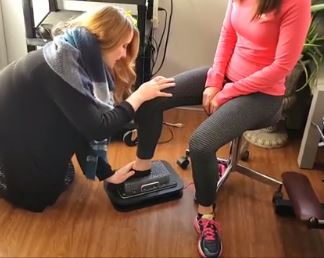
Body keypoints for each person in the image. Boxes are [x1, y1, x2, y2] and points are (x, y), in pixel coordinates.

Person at [131, 0, 311, 257]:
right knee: (151, 98)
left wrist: (228, 92)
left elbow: (282, 67)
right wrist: (214, 81)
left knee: (201, 144)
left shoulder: (297, 3)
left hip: (263, 95)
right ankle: (142, 170)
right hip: (227, 77)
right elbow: (227, 35)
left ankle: (206, 214)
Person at [0, 6, 175, 212]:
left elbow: (81, 120)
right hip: (13, 138)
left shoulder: (72, 54)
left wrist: (106, 173)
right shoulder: (63, 68)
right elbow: (96, 127)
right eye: (123, 45)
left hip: (23, 129)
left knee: (64, 165)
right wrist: (139, 96)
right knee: (42, 195)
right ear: (105, 40)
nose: (123, 54)